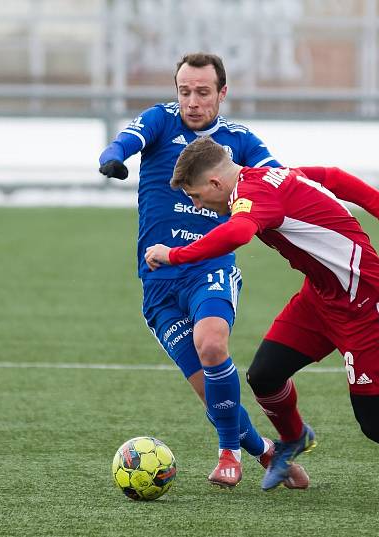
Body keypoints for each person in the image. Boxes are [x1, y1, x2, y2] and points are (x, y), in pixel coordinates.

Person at [144, 136, 379, 506]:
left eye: (195, 196)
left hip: (368, 304)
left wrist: (175, 255)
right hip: (321, 299)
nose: (196, 204)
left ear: (214, 183)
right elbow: (334, 177)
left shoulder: (254, 196)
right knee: (264, 376)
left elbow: (239, 233)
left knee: (377, 424)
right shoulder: (269, 177)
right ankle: (294, 438)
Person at [98, 53, 308, 489]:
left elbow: (279, 180)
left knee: (212, 344)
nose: (192, 102)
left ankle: (227, 452)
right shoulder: (159, 120)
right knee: (209, 391)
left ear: (222, 93)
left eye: (203, 92)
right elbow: (125, 140)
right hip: (157, 282)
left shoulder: (239, 140)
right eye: (184, 91)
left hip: (209, 267)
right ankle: (266, 452)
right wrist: (113, 158)